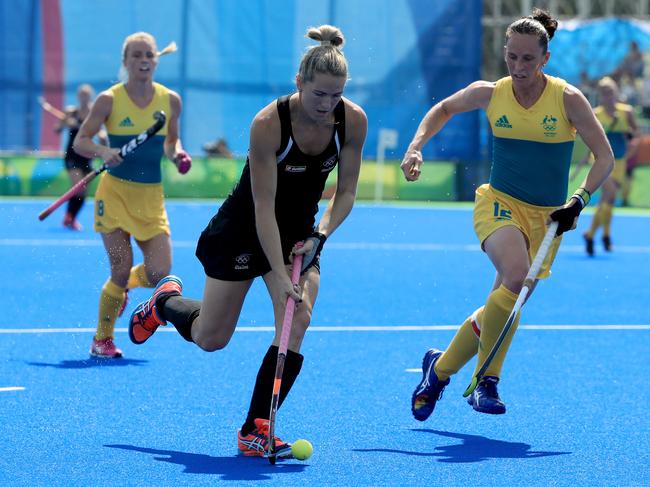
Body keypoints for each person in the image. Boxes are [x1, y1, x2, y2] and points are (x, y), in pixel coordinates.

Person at [128, 25, 367, 457]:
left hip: (299, 233)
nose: (327, 105)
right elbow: (262, 206)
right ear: (299, 83)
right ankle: (164, 302)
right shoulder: (268, 124)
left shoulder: (351, 120)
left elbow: (346, 192)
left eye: (336, 96)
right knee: (211, 337)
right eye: (319, 95)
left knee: (298, 317)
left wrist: (320, 236)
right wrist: (277, 270)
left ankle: (255, 428)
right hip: (244, 227)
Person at [400, 9, 613, 418]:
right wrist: (416, 147)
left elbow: (604, 157)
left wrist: (579, 199)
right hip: (499, 203)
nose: (518, 67)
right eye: (511, 57)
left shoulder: (567, 98)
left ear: (545, 59)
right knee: (515, 279)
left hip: (549, 217)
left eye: (528, 59)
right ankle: (487, 381)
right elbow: (443, 108)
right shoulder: (490, 92)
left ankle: (438, 371)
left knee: (505, 304)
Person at [74, 32, 192, 358]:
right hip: (114, 195)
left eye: (148, 55)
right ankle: (102, 339)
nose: (143, 60)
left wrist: (178, 155)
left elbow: (171, 143)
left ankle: (125, 287)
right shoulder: (109, 100)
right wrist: (103, 150)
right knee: (120, 267)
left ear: (156, 60)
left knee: (159, 272)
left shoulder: (171, 101)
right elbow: (80, 142)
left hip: (150, 197)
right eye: (136, 55)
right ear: (125, 62)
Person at [579, 77, 638, 255]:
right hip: (599, 160)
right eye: (605, 93)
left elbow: (635, 132)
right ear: (601, 96)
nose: (608, 96)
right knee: (610, 193)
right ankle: (600, 236)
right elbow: (588, 136)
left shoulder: (626, 112)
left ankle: (596, 235)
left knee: (608, 200)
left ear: (616, 93)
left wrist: (631, 140)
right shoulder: (596, 114)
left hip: (619, 160)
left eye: (611, 92)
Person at [54, 84, 104, 230]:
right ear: (78, 96)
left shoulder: (94, 114)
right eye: (81, 94)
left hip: (87, 155)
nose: (84, 97)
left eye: (86, 94)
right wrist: (65, 123)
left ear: (91, 96)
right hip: (72, 154)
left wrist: (102, 137)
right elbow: (57, 129)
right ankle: (69, 217)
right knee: (77, 185)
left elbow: (101, 134)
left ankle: (71, 217)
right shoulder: (70, 112)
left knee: (83, 191)